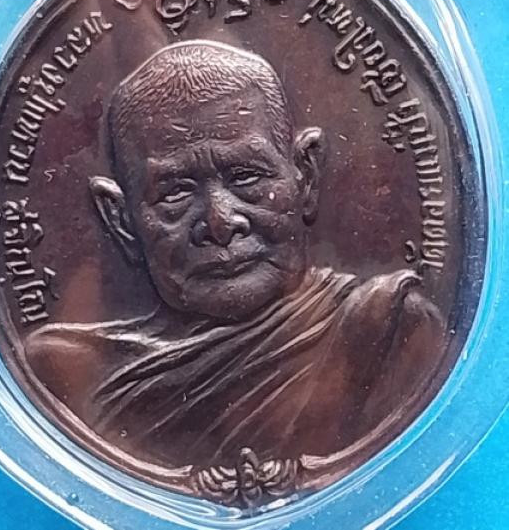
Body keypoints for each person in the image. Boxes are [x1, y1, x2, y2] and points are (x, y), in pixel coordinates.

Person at [26, 40, 445, 471]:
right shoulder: (68, 371)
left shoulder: (387, 332)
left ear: (305, 176)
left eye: (246, 176)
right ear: (121, 218)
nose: (221, 223)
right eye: (175, 192)